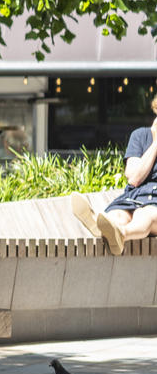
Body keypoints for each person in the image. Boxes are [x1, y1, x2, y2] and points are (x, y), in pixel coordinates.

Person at [71, 92, 157, 254]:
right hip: (132, 198)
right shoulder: (140, 136)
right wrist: (155, 144)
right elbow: (134, 178)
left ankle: (120, 234)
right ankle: (101, 226)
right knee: (117, 216)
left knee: (145, 215)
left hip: (154, 206)